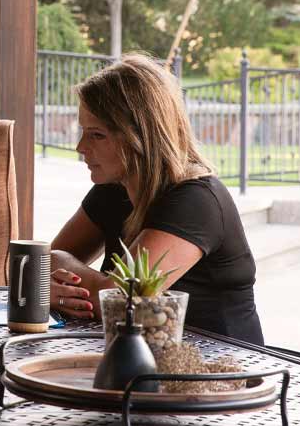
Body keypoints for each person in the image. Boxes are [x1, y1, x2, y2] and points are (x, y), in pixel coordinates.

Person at [49, 54, 264, 344]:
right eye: (83, 132)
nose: (80, 147)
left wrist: (59, 261)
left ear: (140, 136)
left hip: (220, 372)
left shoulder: (196, 201)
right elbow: (28, 269)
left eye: (96, 135)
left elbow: (121, 302)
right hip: (141, 361)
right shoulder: (114, 189)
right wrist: (48, 287)